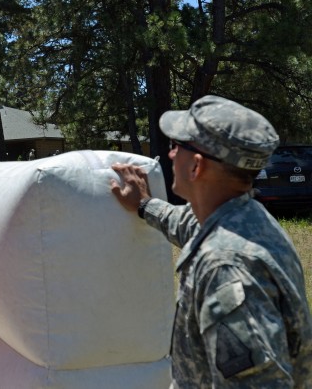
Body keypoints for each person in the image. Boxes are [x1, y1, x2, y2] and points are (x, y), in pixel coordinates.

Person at [110, 95, 312, 387]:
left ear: (196, 166)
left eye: (176, 146)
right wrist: (143, 204)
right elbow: (188, 224)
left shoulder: (225, 267)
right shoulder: (245, 219)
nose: (169, 155)